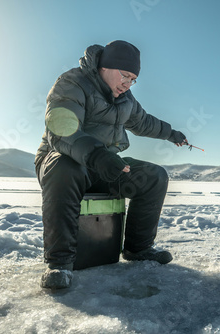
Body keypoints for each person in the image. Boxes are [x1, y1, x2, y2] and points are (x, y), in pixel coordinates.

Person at [35, 40, 187, 289]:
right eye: (124, 75)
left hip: (103, 164)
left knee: (154, 176)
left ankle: (138, 248)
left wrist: (172, 134)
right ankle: (60, 264)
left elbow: (145, 122)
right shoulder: (72, 82)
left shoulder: (125, 98)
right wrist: (96, 155)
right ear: (104, 67)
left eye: (133, 79)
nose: (128, 83)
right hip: (62, 161)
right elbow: (61, 129)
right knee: (65, 167)